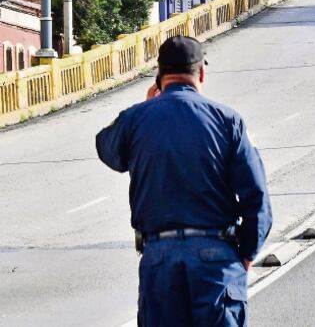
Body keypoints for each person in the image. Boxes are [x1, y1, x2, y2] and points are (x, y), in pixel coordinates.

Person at [96, 36, 272, 327]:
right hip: (217, 258)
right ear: (201, 73)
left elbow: (108, 150)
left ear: (159, 75)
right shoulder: (228, 121)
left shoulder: (136, 119)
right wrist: (245, 257)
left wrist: (145, 106)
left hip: (159, 260)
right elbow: (257, 198)